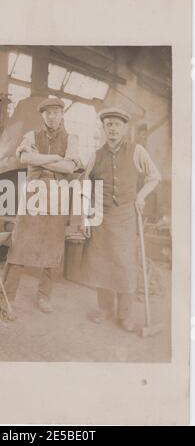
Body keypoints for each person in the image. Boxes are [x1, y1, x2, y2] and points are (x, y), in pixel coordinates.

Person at [80, 107, 161, 331]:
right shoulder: (95, 155)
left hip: (126, 217)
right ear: (103, 128)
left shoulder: (137, 152)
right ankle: (105, 309)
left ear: (124, 128)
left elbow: (155, 177)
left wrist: (141, 196)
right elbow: (86, 187)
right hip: (100, 218)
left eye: (117, 124)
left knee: (125, 265)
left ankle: (125, 315)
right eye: (109, 124)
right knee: (101, 264)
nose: (113, 128)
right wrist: (85, 219)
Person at [1, 97, 81, 319]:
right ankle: (7, 296)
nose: (52, 116)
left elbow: (69, 166)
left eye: (56, 112)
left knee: (53, 248)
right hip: (33, 194)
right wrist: (56, 158)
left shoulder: (72, 138)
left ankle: (44, 296)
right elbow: (24, 157)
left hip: (58, 196)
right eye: (47, 113)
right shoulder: (30, 136)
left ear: (62, 114)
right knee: (19, 245)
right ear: (42, 115)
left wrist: (39, 160)